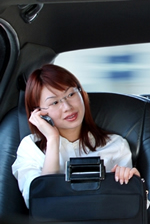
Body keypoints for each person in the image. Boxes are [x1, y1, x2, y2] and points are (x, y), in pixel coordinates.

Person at [12, 64, 140, 208]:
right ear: (38, 112)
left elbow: (126, 208)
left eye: (71, 94)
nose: (67, 107)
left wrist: (132, 185)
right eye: (54, 102)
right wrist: (53, 140)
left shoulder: (116, 145)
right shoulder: (30, 148)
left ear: (82, 93)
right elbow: (39, 202)